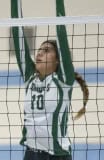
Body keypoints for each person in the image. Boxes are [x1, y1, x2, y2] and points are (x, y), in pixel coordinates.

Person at [11, 0, 89, 160]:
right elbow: (17, 30)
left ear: (58, 60)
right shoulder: (30, 77)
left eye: (46, 51)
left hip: (57, 156)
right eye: (39, 50)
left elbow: (61, 33)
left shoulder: (62, 80)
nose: (39, 53)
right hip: (31, 154)